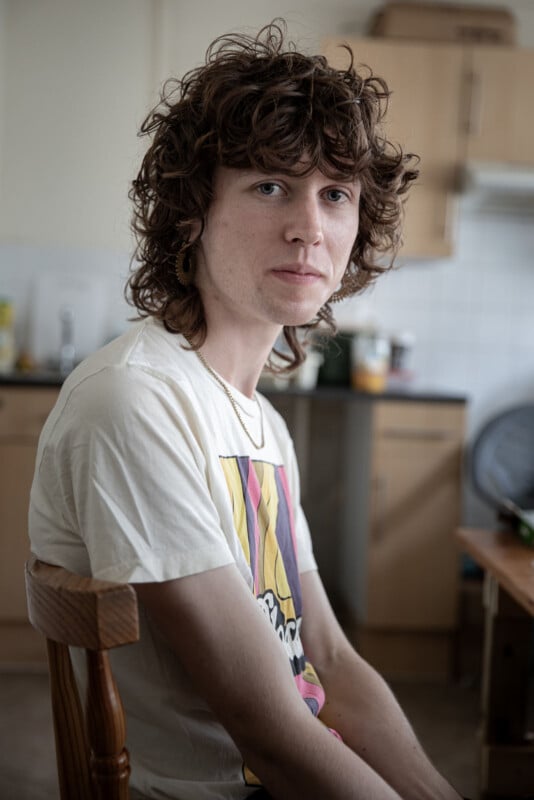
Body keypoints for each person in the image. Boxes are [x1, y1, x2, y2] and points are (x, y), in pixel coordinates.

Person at [29, 20, 465, 800]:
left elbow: (329, 663)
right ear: (193, 210)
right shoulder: (135, 401)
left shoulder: (259, 423)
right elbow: (267, 724)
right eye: (270, 185)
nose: (309, 227)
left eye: (335, 194)